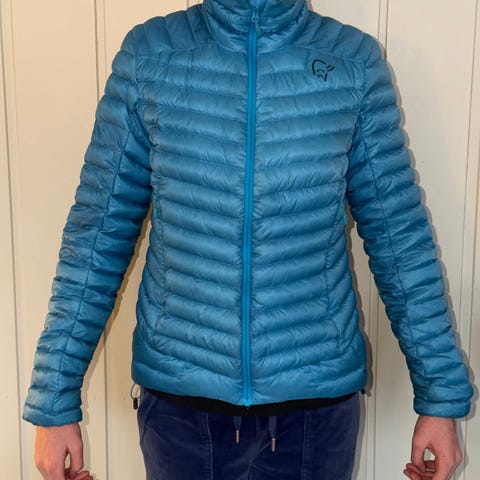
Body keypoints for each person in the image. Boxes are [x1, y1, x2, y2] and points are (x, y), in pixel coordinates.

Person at [23, 0, 473, 479]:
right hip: (182, 412)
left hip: (315, 414)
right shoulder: (151, 56)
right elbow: (97, 235)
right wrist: (54, 400)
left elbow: (400, 238)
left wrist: (440, 396)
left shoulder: (351, 63)